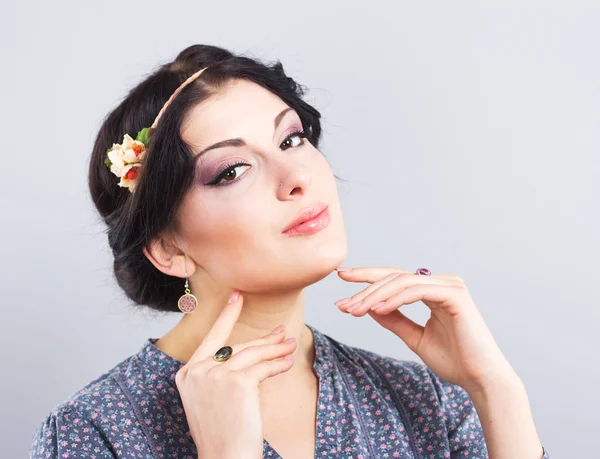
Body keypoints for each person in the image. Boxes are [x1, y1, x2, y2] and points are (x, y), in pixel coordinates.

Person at [29, 44, 549, 459]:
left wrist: (496, 392)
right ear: (168, 249)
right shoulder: (95, 434)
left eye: (292, 139)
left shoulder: (419, 399)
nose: (297, 178)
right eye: (232, 170)